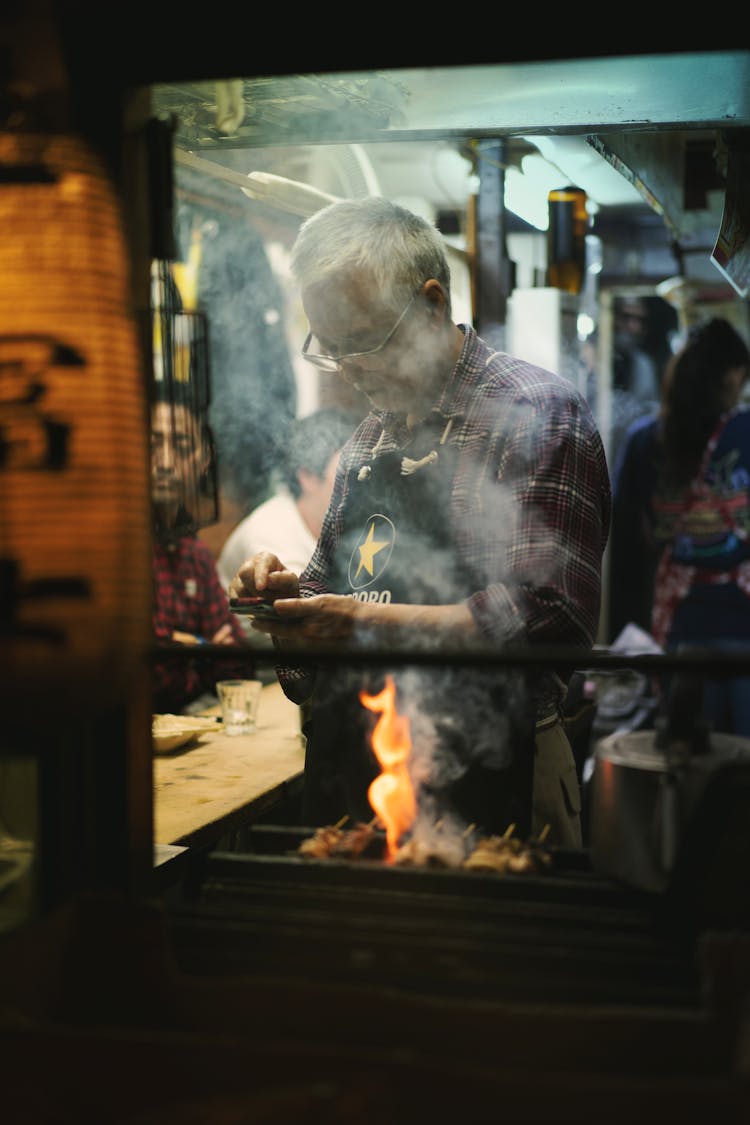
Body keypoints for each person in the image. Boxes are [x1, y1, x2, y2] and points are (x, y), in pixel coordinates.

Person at [229, 197, 610, 846]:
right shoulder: (369, 439)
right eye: (332, 347)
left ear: (433, 306)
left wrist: (361, 622)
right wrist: (288, 605)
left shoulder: (535, 413)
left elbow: (549, 618)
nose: (347, 371)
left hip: (500, 786)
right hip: (366, 777)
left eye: (365, 342)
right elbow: (327, 615)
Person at [610, 316, 750, 736]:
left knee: (689, 767)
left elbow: (630, 546)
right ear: (730, 375)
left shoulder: (643, 440)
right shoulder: (747, 431)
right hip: (744, 625)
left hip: (678, 628)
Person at [151, 392, 249, 714]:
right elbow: (152, 674)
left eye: (180, 447)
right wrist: (205, 654)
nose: (165, 463)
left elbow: (237, 662)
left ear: (203, 459)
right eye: (152, 444)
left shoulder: (195, 553)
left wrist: (188, 650)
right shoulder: (116, 547)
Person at [217, 408, 358, 591]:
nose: (365, 480)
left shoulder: (350, 527)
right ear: (308, 476)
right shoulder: (270, 535)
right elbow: (310, 613)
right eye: (352, 471)